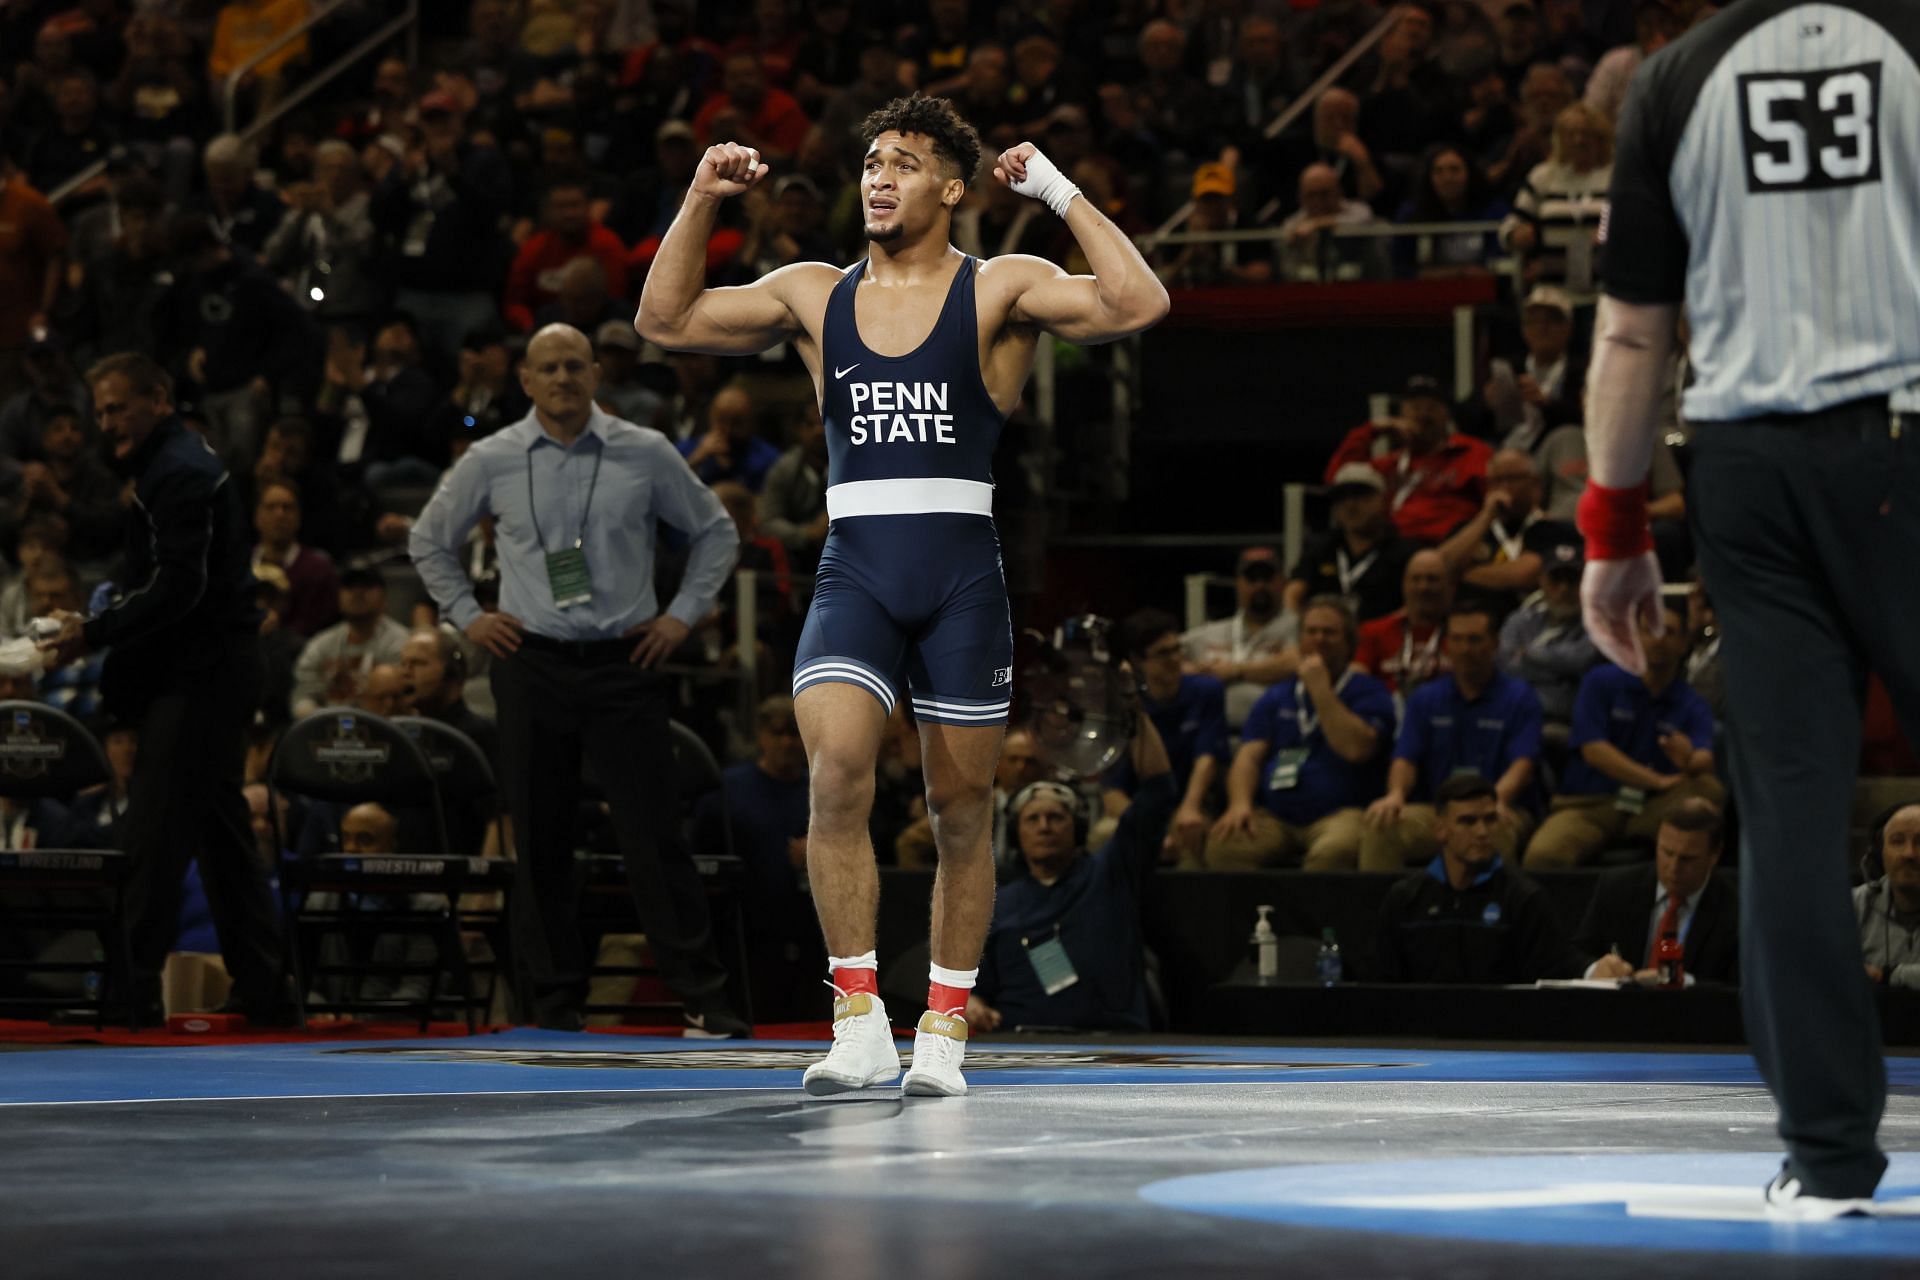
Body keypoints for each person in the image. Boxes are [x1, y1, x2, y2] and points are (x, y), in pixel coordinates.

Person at [636, 94, 1168, 1096]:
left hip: (962, 579)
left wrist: (1057, 193)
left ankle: (945, 1028)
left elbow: (1137, 304)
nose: (880, 175)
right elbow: (662, 319)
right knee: (836, 773)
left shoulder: (1001, 285)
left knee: (961, 806)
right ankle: (858, 1017)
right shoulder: (812, 293)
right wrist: (703, 195)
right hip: (857, 573)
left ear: (953, 189)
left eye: (907, 162)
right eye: (873, 160)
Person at [1578, 0, 1920, 1214]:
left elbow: (1629, 331)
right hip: (1904, 436)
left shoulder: (1672, 79)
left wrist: (1615, 531)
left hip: (1750, 468)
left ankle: (1829, 1158)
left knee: (1789, 808)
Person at [410, 322, 748, 1038]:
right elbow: (427, 541)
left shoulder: (645, 451)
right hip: (531, 662)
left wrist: (680, 617)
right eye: (547, 369)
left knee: (655, 837)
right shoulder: (492, 457)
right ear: (525, 382)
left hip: (626, 664)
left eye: (574, 366)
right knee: (538, 840)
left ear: (595, 375)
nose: (562, 378)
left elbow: (717, 532)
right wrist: (469, 616)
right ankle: (552, 1010)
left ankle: (703, 1000)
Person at [39, 354, 291, 1025]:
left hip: (199, 676)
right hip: (206, 669)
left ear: (159, 399)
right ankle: (268, 990)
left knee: (152, 833)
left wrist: (94, 631)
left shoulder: (178, 470)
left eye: (118, 407)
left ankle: (129, 989)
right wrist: (100, 619)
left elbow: (181, 586)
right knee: (220, 832)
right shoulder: (170, 465)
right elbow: (169, 581)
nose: (106, 423)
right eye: (100, 410)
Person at [967, 709, 1174, 1033]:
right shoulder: (997, 903)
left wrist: (1132, 706)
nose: (1044, 827)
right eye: (1032, 819)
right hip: (1020, 1046)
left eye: (1056, 817)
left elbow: (1158, 792)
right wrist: (972, 1003)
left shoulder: (1110, 874)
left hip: (1112, 1043)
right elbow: (973, 986)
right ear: (1017, 834)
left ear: (1077, 828)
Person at [1523, 598, 1721, 869]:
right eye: (1649, 629)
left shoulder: (1691, 702)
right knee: (1543, 857)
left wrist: (1689, 760)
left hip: (1653, 809)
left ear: (1684, 643)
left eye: (1669, 632)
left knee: (1709, 789)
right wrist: (1654, 780)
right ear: (1634, 636)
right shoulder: (1601, 681)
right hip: (1590, 806)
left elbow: (1704, 758)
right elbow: (1593, 750)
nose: (1658, 639)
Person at [1208, 596, 1393, 872]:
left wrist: (1320, 690)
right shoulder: (1278, 695)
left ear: (1349, 642)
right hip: (1276, 816)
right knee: (1225, 846)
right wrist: (1240, 804)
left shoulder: (1370, 692)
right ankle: (1262, 915)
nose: (1319, 639)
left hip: (1342, 814)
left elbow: (1356, 749)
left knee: (1334, 851)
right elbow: (1248, 757)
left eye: (1329, 632)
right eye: (1311, 631)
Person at [1362, 603, 1544, 871]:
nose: (1465, 649)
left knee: (1496, 828)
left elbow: (1523, 764)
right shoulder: (1426, 698)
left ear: (1494, 643)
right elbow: (1405, 757)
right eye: (1457, 640)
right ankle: (1388, 911)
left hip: (1500, 806)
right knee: (1383, 822)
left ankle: (1495, 911)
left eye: (1474, 640)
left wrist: (1497, 801)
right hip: (1439, 811)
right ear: (1447, 645)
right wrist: (1396, 794)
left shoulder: (1520, 697)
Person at [1373, 773, 1583, 984]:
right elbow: (1384, 986)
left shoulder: (1524, 899)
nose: (1482, 831)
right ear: (1440, 830)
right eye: (1468, 821)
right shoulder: (1405, 900)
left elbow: (1546, 987)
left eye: (1490, 819)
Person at [1578, 797, 1738, 985]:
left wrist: (1681, 982)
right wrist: (1595, 969)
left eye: (1687, 859)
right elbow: (1576, 955)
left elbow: (1741, 984)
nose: (1673, 867)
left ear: (1714, 855)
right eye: (1666, 852)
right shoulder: (1617, 887)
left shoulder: (1737, 907)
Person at [1183, 545, 1300, 729]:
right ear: (1238, 583)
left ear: (1282, 582)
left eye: (1267, 578)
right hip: (1214, 735)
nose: (1259, 585)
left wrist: (1234, 671)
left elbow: (1296, 661)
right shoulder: (1212, 632)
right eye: (1251, 578)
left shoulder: (1300, 627)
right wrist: (1196, 671)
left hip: (1276, 733)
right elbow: (1165, 655)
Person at [1284, 464, 1415, 624]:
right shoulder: (1320, 547)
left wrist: (1381, 632)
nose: (1350, 505)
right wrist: (1301, 627)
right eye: (1342, 497)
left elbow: (1416, 605)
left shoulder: (1404, 552)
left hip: (1381, 642)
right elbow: (1292, 594)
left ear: (1382, 500)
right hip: (1325, 639)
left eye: (1360, 495)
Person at [1857, 803, 1920, 992]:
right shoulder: (1850, 907)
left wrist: (1885, 975)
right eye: (1897, 841)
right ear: (1879, 854)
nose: (1909, 853)